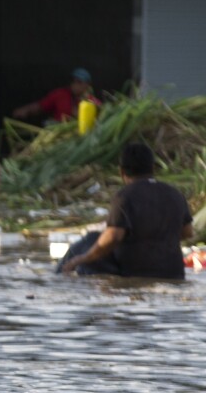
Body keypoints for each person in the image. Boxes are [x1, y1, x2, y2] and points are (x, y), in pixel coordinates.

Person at [60, 142, 193, 279]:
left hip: (135, 273)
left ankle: (58, 279)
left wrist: (81, 259)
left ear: (122, 172)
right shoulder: (175, 194)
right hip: (174, 273)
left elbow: (113, 236)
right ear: (153, 168)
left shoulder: (124, 196)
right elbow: (187, 232)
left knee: (90, 241)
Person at [12, 68, 97, 123]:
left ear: (87, 85)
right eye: (73, 81)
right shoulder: (60, 94)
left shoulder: (92, 102)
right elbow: (41, 106)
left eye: (79, 82)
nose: (75, 85)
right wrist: (25, 110)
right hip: (56, 135)